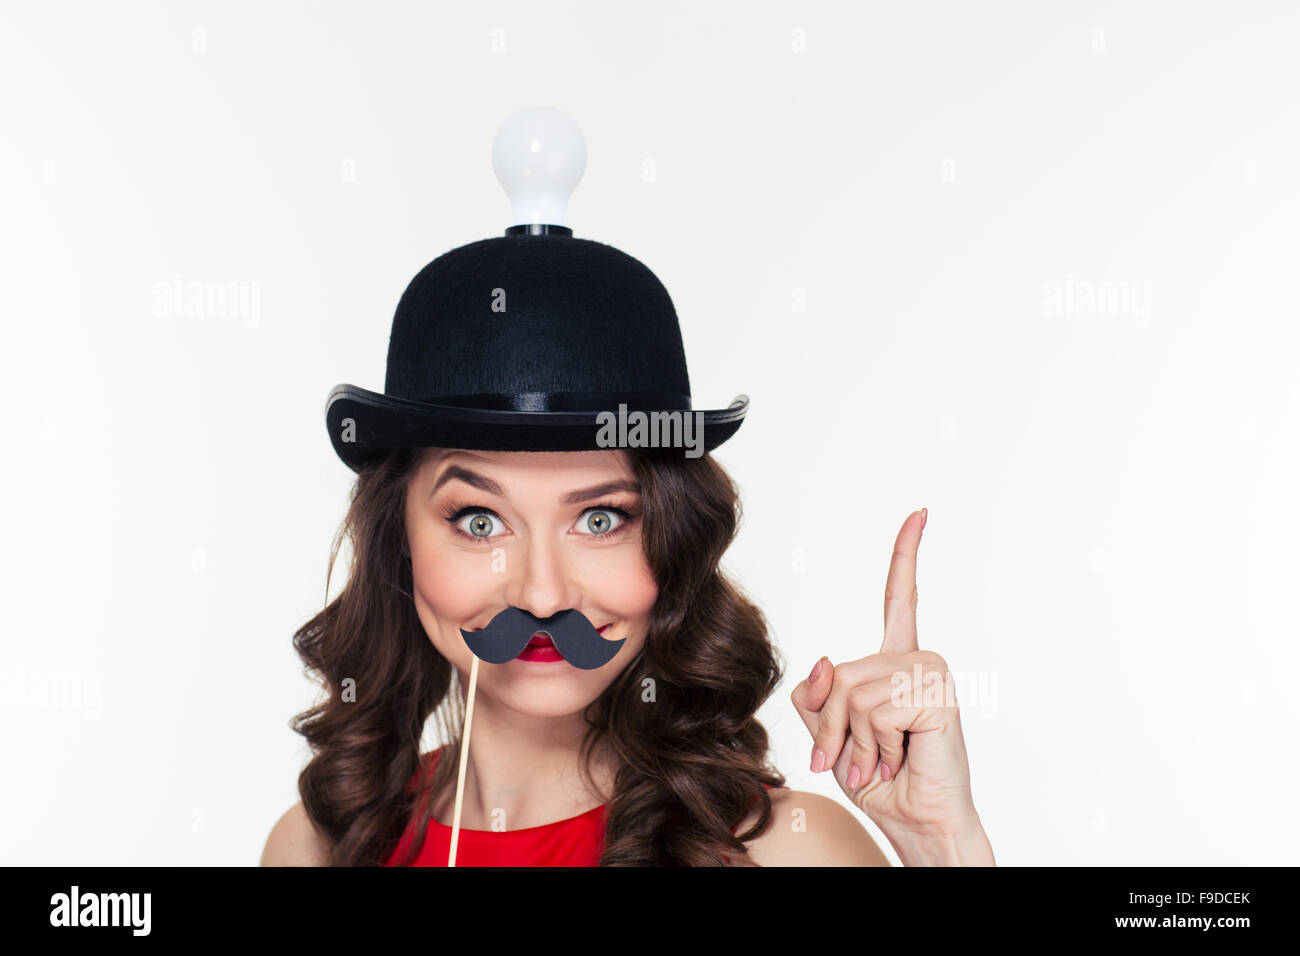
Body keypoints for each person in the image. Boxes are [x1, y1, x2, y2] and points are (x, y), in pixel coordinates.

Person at [260, 107, 994, 866]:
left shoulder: (785, 854)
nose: (542, 597)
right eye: (479, 520)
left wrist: (944, 843)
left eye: (602, 519)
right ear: (399, 544)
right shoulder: (315, 849)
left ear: (675, 542)